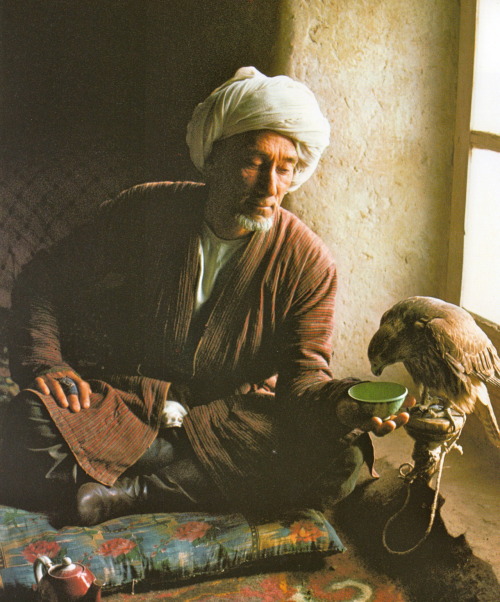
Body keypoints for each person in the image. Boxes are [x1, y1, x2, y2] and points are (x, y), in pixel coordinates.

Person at [1, 67, 411, 526]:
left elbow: (303, 381)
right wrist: (46, 361)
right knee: (24, 427)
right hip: (128, 398)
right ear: (213, 159)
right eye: (255, 162)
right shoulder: (145, 209)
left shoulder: (308, 262)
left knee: (345, 459)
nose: (271, 186)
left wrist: (343, 405)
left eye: (286, 168)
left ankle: (133, 492)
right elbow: (44, 277)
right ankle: (190, 477)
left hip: (232, 418)